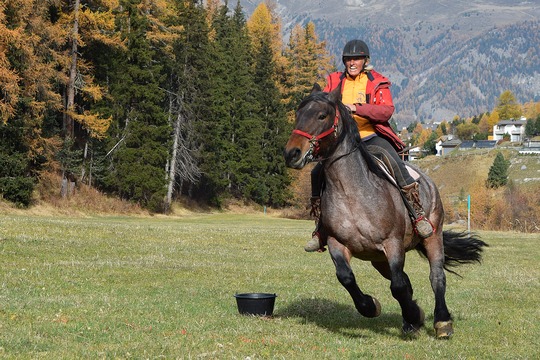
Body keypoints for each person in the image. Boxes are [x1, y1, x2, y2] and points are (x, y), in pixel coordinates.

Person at [305, 39, 434, 252]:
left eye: (356, 58)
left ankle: (417, 214)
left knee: (395, 164)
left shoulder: (377, 82)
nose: (352, 62)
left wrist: (355, 108)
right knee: (317, 173)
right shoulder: (334, 80)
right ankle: (320, 230)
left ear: (365, 61)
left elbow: (386, 111)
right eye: (348, 59)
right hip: (341, 142)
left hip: (370, 136)